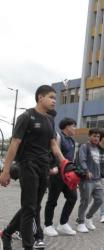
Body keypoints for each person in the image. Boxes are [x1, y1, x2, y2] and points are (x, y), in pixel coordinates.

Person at [0, 85, 66, 250]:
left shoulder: (50, 120)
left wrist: (65, 162)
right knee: (30, 207)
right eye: (51, 97)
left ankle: (7, 233)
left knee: (34, 206)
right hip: (28, 164)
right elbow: (14, 144)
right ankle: (28, 246)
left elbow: (53, 144)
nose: (54, 101)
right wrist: (5, 170)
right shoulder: (26, 117)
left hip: (44, 166)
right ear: (40, 97)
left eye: (55, 98)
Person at [44, 118, 78, 237]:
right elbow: (52, 153)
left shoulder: (72, 141)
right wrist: (52, 167)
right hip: (56, 174)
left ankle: (63, 224)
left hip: (68, 176)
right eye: (73, 126)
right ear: (66, 127)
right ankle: (48, 225)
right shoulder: (58, 136)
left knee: (73, 197)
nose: (75, 128)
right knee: (52, 200)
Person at [76, 129, 104, 233]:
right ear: (89, 136)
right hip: (86, 179)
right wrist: (86, 170)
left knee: (99, 200)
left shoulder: (97, 148)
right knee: (85, 201)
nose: (96, 138)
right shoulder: (85, 146)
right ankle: (80, 222)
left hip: (97, 179)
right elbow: (82, 160)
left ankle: (88, 217)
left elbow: (98, 163)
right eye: (94, 136)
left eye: (98, 136)